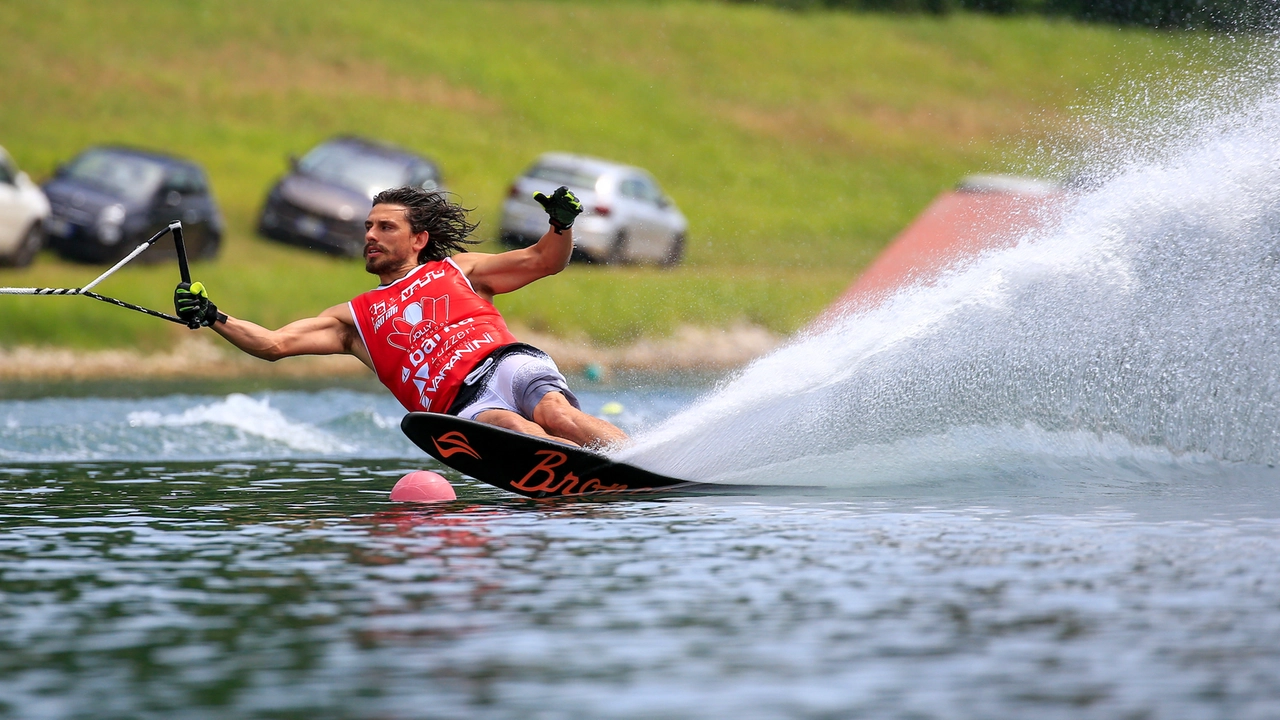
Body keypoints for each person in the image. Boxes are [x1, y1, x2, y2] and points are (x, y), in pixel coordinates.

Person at [173, 185, 627, 448]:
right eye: (367, 227)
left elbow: (544, 260)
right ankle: (587, 473)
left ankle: (643, 461)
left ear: (418, 240)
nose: (370, 235)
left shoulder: (457, 269)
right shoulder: (353, 320)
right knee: (512, 429)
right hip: (462, 407)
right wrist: (213, 315)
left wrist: (561, 226)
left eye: (385, 227)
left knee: (558, 415)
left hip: (507, 365)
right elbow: (273, 344)